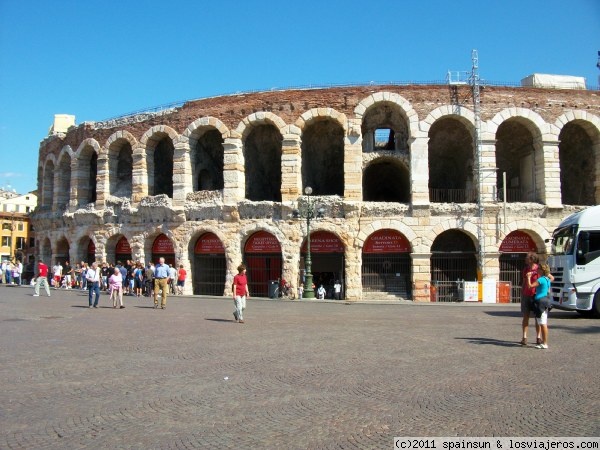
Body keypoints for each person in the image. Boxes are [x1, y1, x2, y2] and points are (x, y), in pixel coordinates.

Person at [526, 263, 552, 349]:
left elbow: (530, 286)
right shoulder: (547, 279)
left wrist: (528, 277)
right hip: (545, 300)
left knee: (543, 323)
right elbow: (552, 278)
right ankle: (544, 342)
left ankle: (545, 343)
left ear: (542, 270)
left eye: (539, 268)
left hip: (540, 301)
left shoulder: (541, 279)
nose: (537, 270)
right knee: (542, 322)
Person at [520, 253, 542, 346]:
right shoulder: (525, 269)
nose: (525, 259)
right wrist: (522, 292)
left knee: (538, 317)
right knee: (526, 316)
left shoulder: (539, 269)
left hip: (536, 295)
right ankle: (524, 337)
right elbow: (524, 282)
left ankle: (538, 337)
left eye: (527, 258)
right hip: (526, 295)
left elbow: (545, 280)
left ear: (532, 259)